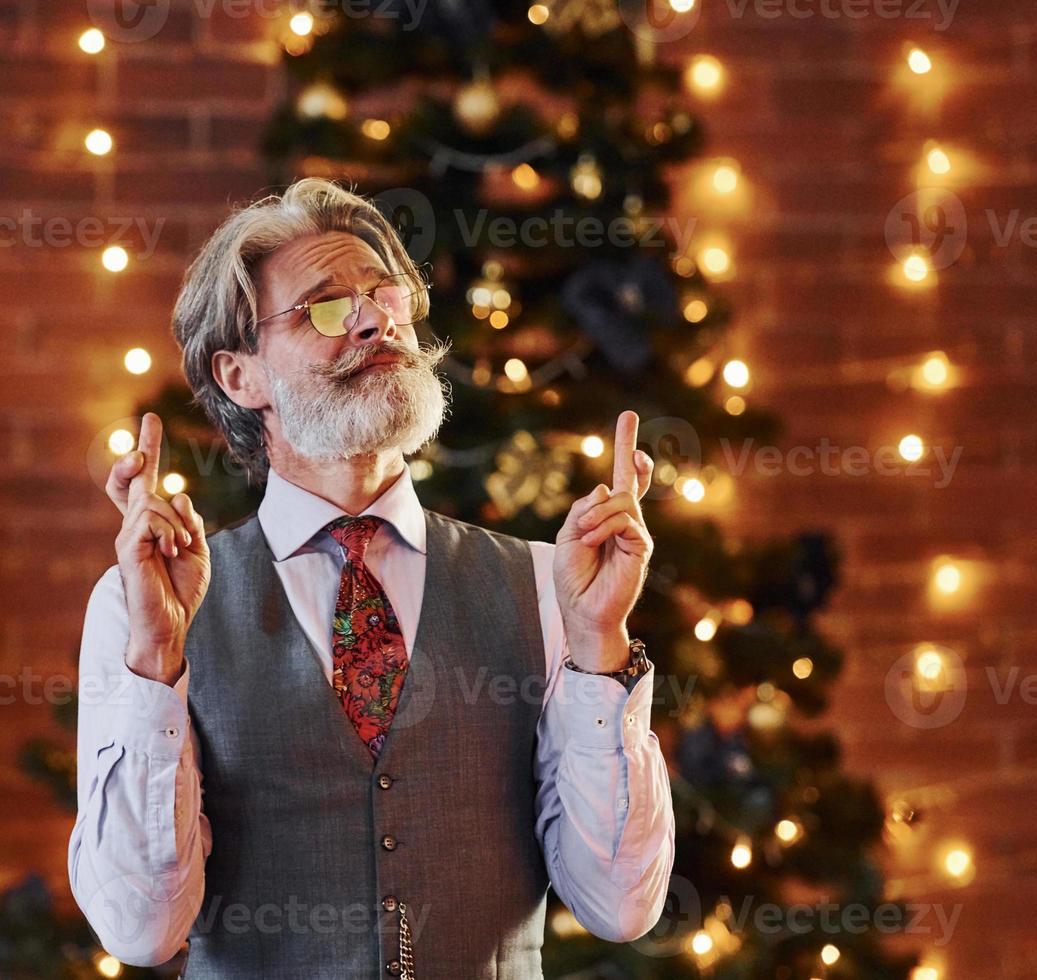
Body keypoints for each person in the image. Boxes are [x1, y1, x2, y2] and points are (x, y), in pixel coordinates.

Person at [67, 178, 673, 978]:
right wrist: (156, 660)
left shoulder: (544, 587)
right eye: (321, 306)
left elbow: (620, 907)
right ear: (241, 376)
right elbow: (140, 931)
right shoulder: (144, 607)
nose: (371, 319)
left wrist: (598, 647)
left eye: (383, 295)